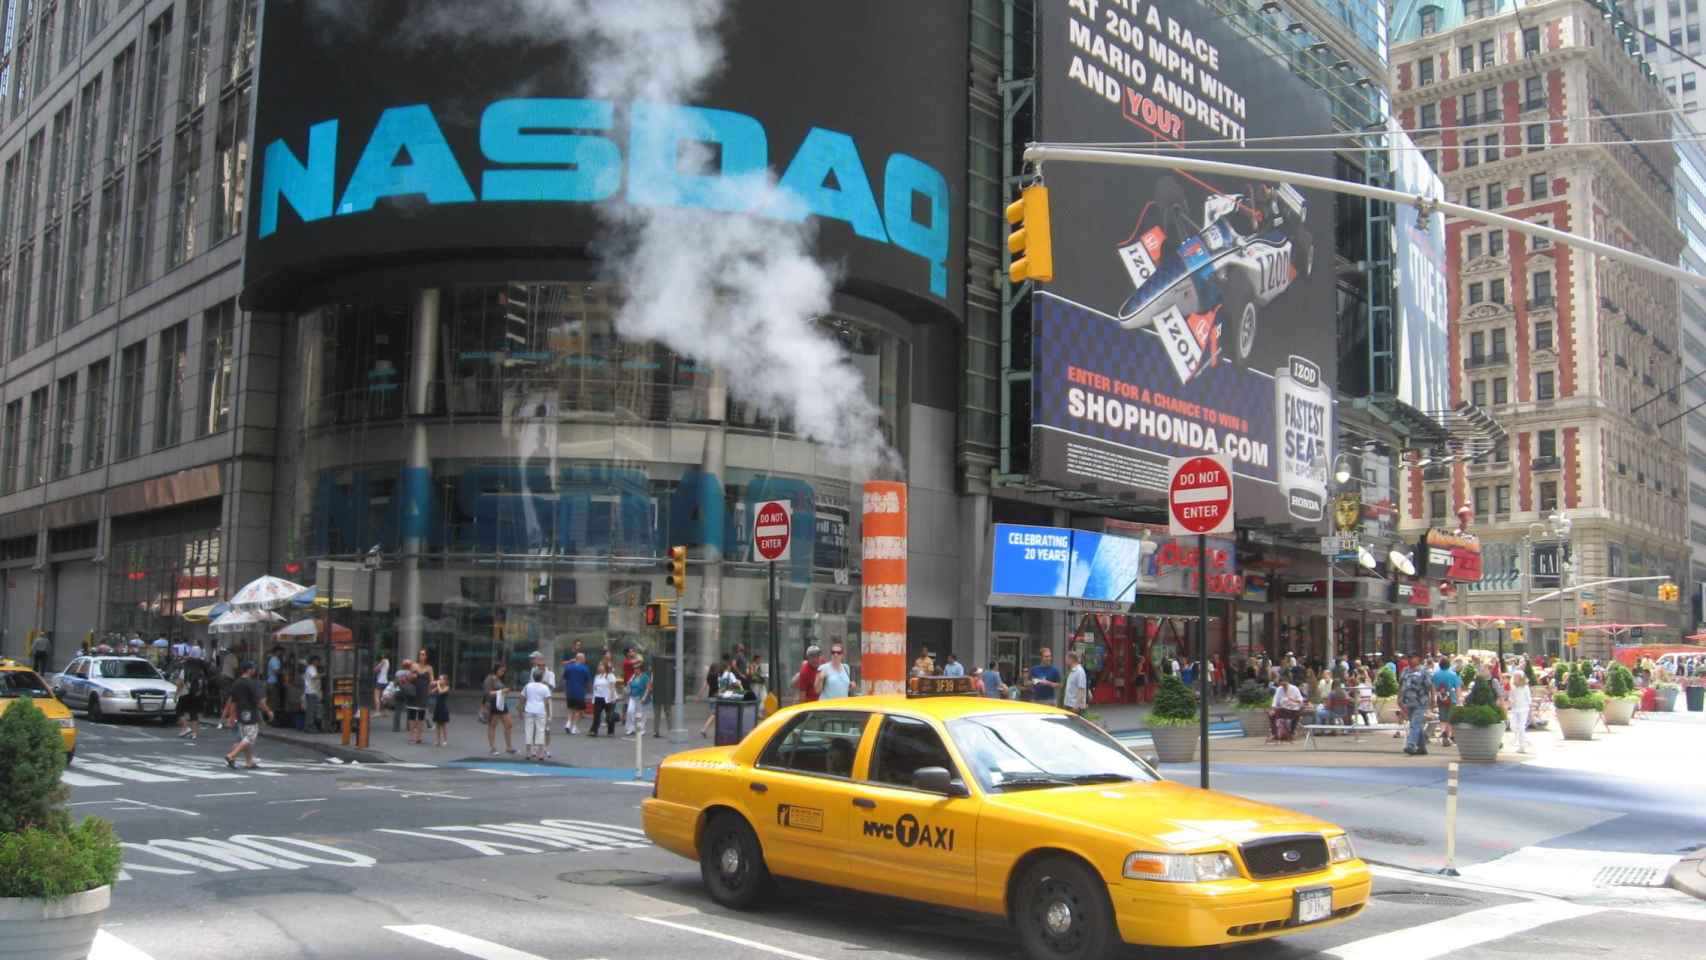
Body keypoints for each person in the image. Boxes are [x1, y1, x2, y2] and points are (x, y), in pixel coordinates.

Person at [223, 661, 274, 769]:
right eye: (253, 668)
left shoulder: (236, 683)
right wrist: (268, 711)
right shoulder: (251, 683)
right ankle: (231, 755)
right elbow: (260, 701)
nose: (254, 670)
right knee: (250, 737)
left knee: (244, 738)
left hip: (240, 713)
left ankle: (249, 761)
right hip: (250, 712)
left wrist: (232, 716)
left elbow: (233, 701)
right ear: (249, 670)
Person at [1399, 654, 1435, 756]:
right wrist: (1399, 698)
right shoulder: (1405, 671)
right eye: (1408, 658)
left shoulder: (1424, 671)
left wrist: (1433, 699)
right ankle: (1422, 748)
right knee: (1417, 725)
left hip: (1421, 702)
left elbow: (1431, 686)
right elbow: (1401, 685)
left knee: (1414, 724)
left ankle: (1410, 745)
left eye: (1412, 658)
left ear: (1418, 659)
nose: (1410, 660)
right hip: (1408, 702)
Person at [521, 667, 553, 761]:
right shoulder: (545, 687)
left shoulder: (528, 686)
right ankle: (540, 754)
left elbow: (522, 697)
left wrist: (520, 709)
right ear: (542, 677)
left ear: (533, 677)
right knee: (541, 731)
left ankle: (528, 753)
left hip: (529, 709)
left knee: (528, 730)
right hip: (540, 710)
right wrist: (548, 713)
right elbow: (546, 701)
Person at [483, 664, 515, 755]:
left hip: (501, 703)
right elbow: (487, 693)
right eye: (501, 670)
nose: (503, 672)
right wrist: (501, 691)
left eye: (504, 671)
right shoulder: (489, 679)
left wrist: (505, 691)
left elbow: (501, 691)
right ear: (496, 670)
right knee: (492, 725)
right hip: (493, 703)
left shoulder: (498, 678)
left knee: (509, 724)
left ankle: (509, 747)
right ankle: (493, 747)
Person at [175, 657, 208, 740]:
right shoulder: (201, 672)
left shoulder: (185, 670)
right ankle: (194, 734)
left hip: (185, 694)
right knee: (194, 714)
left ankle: (186, 727)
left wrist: (176, 694)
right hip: (197, 695)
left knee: (179, 711)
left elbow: (180, 683)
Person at [1432, 657, 1461, 747]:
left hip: (1440, 698)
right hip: (1452, 699)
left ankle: (1443, 732)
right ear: (1449, 665)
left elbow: (1433, 688)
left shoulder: (1435, 675)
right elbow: (1457, 688)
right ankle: (1448, 735)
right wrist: (1458, 699)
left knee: (1442, 717)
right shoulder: (1453, 674)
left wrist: (1433, 698)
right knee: (1450, 718)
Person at [591, 656, 620, 737]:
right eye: (599, 665)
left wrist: (611, 698)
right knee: (596, 714)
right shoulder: (597, 676)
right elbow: (595, 688)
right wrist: (593, 698)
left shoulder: (610, 675)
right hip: (598, 697)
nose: (600, 667)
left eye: (601, 665)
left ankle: (610, 731)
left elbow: (612, 687)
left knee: (609, 715)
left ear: (605, 667)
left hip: (607, 698)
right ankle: (594, 730)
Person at [1269, 675, 1305, 741]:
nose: (1283, 686)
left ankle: (1291, 733)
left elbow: (1301, 700)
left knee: (1296, 714)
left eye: (1285, 685)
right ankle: (1275, 733)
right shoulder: (1279, 689)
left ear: (1288, 682)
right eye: (1282, 685)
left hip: (1293, 709)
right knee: (1272, 715)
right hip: (1283, 709)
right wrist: (1273, 709)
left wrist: (1292, 700)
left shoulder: (1294, 688)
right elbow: (1275, 700)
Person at [563, 652, 591, 734]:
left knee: (570, 709)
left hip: (570, 691)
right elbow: (588, 681)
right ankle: (574, 727)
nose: (585, 659)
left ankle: (568, 724)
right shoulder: (585, 668)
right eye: (584, 658)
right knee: (578, 710)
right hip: (580, 692)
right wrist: (590, 690)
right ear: (581, 659)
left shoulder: (568, 667)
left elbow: (565, 679)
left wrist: (566, 689)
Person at [625, 656, 652, 737]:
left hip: (641, 698)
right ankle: (631, 728)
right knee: (630, 711)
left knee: (642, 714)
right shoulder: (633, 676)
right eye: (634, 669)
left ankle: (641, 729)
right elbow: (629, 685)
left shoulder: (645, 677)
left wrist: (644, 697)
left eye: (637, 668)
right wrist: (628, 688)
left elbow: (648, 688)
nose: (635, 670)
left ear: (640, 669)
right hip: (632, 697)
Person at [1509, 670, 1533, 754]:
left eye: (1517, 676)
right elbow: (1511, 696)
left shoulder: (1525, 687)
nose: (1515, 678)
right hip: (1515, 709)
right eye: (1514, 676)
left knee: (1521, 727)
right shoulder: (1513, 686)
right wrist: (1510, 701)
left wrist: (1530, 709)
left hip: (1524, 709)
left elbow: (1528, 697)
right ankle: (1524, 739)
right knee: (1513, 725)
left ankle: (1522, 746)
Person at [302, 656, 323, 734]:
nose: (318, 663)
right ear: (314, 661)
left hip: (312, 691)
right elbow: (314, 676)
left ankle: (309, 726)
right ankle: (308, 727)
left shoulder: (311, 668)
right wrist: (323, 675)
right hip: (311, 692)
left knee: (312, 710)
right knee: (310, 711)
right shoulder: (311, 668)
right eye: (318, 661)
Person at [431, 674, 452, 747]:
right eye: (439, 679)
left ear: (445, 681)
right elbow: (431, 692)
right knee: (437, 725)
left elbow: (441, 692)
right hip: (437, 707)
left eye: (441, 679)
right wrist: (433, 684)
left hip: (443, 708)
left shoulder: (447, 687)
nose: (439, 680)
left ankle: (445, 740)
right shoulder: (438, 687)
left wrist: (437, 684)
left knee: (443, 726)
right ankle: (437, 740)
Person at [373, 652, 391, 716]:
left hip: (380, 681)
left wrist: (376, 667)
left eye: (382, 655)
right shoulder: (388, 662)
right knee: (384, 697)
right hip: (385, 681)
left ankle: (377, 712)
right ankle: (386, 712)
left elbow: (376, 669)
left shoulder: (383, 661)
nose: (381, 656)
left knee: (376, 697)